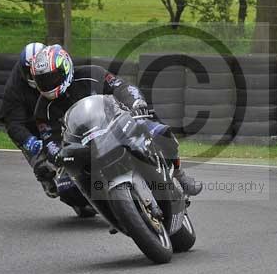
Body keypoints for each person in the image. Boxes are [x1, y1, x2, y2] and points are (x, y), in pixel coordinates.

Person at [29, 44, 202, 197]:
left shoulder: (92, 73)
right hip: (82, 147)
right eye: (42, 80)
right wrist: (57, 153)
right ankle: (103, 206)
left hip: (115, 125)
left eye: (51, 77)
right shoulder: (42, 109)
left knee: (160, 133)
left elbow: (121, 87)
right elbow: (49, 139)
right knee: (66, 188)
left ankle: (179, 174)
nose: (48, 84)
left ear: (65, 68)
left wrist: (135, 102)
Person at [0, 42, 96, 217]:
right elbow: (13, 123)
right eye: (30, 73)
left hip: (60, 122)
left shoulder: (58, 73)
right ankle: (72, 195)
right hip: (32, 131)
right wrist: (29, 141)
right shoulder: (15, 89)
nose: (38, 77)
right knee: (47, 170)